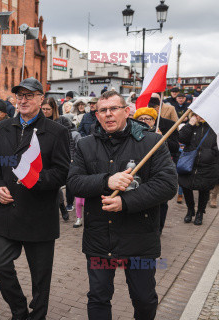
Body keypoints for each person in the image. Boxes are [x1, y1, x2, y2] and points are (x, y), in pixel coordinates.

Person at [67, 91, 177, 320]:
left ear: (127, 111)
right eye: (102, 110)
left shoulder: (151, 142)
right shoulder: (86, 145)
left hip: (139, 238)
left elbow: (167, 185)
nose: (108, 115)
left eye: (113, 109)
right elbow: (74, 183)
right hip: (100, 238)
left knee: (144, 299)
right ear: (96, 115)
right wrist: (106, 180)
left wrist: (125, 202)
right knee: (98, 298)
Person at [0, 77, 70, 320]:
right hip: (7, 214)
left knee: (40, 279)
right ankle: (19, 311)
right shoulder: (3, 127)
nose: (23, 100)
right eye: (19, 96)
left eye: (29, 95)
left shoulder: (57, 132)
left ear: (40, 99)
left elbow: (63, 172)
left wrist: (36, 180)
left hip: (39, 216)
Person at [134, 107, 179, 233]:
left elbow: (174, 148)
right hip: (141, 174)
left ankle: (158, 228)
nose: (145, 121)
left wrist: (162, 139)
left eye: (148, 119)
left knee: (161, 202)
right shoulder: (133, 135)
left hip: (157, 173)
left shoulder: (161, 135)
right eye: (141, 119)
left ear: (154, 121)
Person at [179, 114, 219, 225]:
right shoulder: (192, 126)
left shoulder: (215, 127)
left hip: (208, 165)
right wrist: (190, 124)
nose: (200, 117)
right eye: (197, 114)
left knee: (204, 189)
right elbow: (181, 138)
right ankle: (190, 209)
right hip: (189, 164)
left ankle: (200, 213)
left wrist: (211, 152)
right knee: (186, 186)